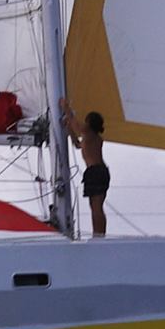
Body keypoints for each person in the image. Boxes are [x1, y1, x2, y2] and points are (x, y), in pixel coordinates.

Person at [60, 98, 110, 236]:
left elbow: (78, 127)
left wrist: (66, 109)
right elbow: (77, 143)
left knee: (96, 206)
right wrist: (68, 128)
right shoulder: (90, 138)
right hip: (96, 171)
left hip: (96, 171)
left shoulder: (91, 134)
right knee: (94, 206)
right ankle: (98, 234)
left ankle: (99, 235)